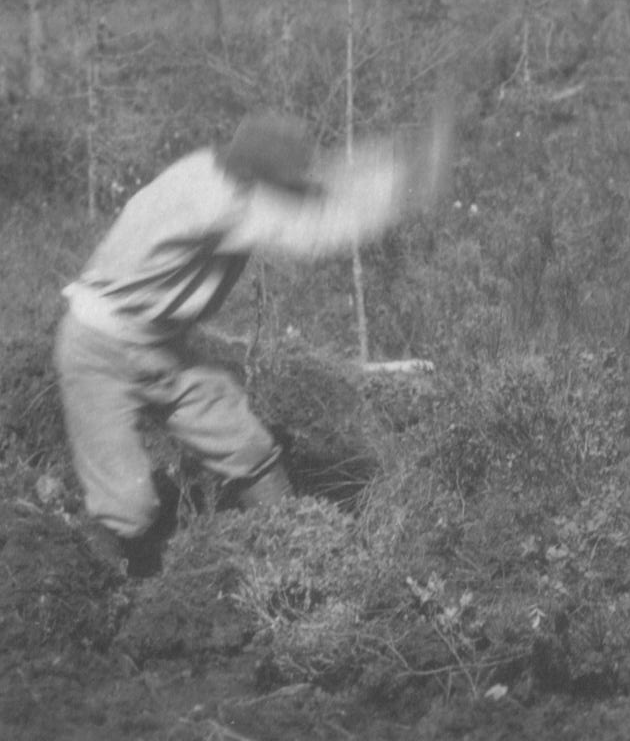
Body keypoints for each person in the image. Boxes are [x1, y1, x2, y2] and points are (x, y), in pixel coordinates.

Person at [55, 108, 451, 576]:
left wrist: (394, 162)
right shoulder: (221, 205)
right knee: (127, 505)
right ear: (257, 180)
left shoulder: (213, 168)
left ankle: (300, 558)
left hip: (157, 347)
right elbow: (318, 228)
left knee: (248, 450)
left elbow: (312, 186)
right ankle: (95, 588)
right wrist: (406, 181)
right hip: (97, 350)